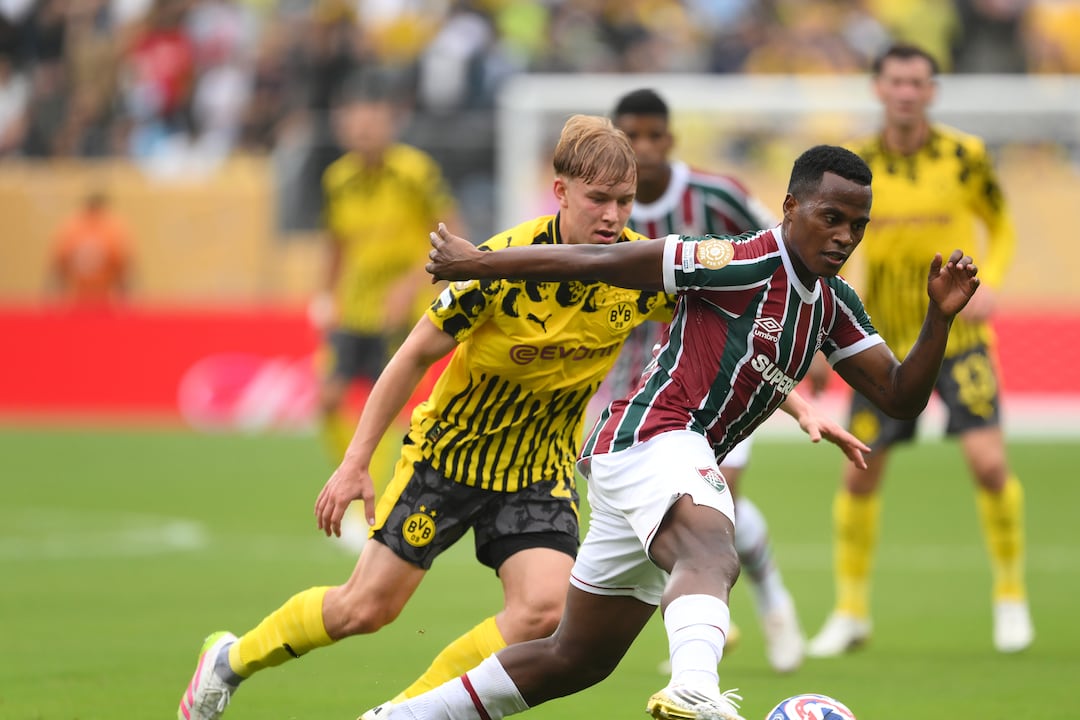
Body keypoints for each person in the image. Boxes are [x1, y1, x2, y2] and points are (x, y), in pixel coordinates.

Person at [176, 116, 853, 720]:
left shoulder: (634, 268)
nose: (615, 215)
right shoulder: (503, 265)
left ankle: (406, 714)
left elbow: (718, 339)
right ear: (560, 193)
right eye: (599, 200)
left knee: (542, 612)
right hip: (448, 456)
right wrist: (355, 462)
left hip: (538, 469)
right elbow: (412, 356)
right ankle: (232, 659)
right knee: (367, 608)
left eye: (624, 201)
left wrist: (796, 403)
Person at [381, 143, 981, 720]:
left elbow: (902, 396)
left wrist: (939, 317)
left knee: (575, 658)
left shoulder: (833, 304)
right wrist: (478, 263)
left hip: (646, 463)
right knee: (712, 548)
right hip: (653, 437)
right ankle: (694, 690)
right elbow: (606, 261)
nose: (845, 236)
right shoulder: (738, 260)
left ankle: (400, 717)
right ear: (792, 208)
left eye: (857, 224)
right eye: (831, 217)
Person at [806, 43, 1032, 658]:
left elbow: (1003, 222)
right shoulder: (858, 167)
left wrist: (996, 282)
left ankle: (1010, 597)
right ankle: (850, 612)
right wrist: (830, 338)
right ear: (878, 88)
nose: (906, 92)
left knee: (988, 464)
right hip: (884, 343)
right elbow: (832, 246)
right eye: (896, 81)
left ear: (932, 91)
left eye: (917, 82)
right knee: (860, 475)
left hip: (960, 340)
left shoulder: (966, 157)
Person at [607, 87, 804, 674]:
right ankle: (699, 619)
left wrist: (804, 333)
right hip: (630, 383)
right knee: (658, 513)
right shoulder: (601, 207)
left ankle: (765, 605)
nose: (642, 149)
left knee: (718, 503)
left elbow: (787, 249)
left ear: (670, 139)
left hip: (718, 375)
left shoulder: (714, 196)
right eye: (630, 137)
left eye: (652, 136)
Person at [312, 74, 463, 546]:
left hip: (403, 311)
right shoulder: (338, 180)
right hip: (355, 308)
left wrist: (415, 282)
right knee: (329, 399)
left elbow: (450, 234)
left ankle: (376, 497)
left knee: (389, 405)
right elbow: (336, 242)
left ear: (388, 125)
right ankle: (355, 483)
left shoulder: (415, 172)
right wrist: (324, 293)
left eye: (372, 124)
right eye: (355, 125)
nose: (364, 133)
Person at [48, 191, 133, 306]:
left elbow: (123, 269)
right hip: (82, 298)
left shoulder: (72, 228)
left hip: (100, 299)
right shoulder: (111, 230)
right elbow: (59, 267)